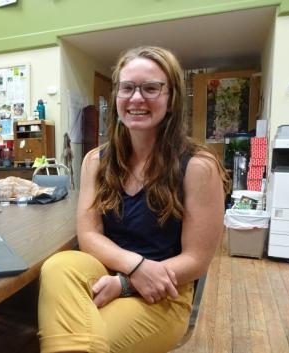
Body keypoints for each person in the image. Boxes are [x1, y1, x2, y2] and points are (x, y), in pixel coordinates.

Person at [37, 46, 230, 353]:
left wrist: (127, 283)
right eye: (127, 88)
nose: (137, 98)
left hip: (164, 292)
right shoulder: (95, 161)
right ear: (117, 96)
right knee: (59, 265)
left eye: (151, 88)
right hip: (104, 273)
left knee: (81, 342)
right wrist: (134, 268)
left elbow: (196, 260)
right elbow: (89, 235)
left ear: (171, 99)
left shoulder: (198, 166)